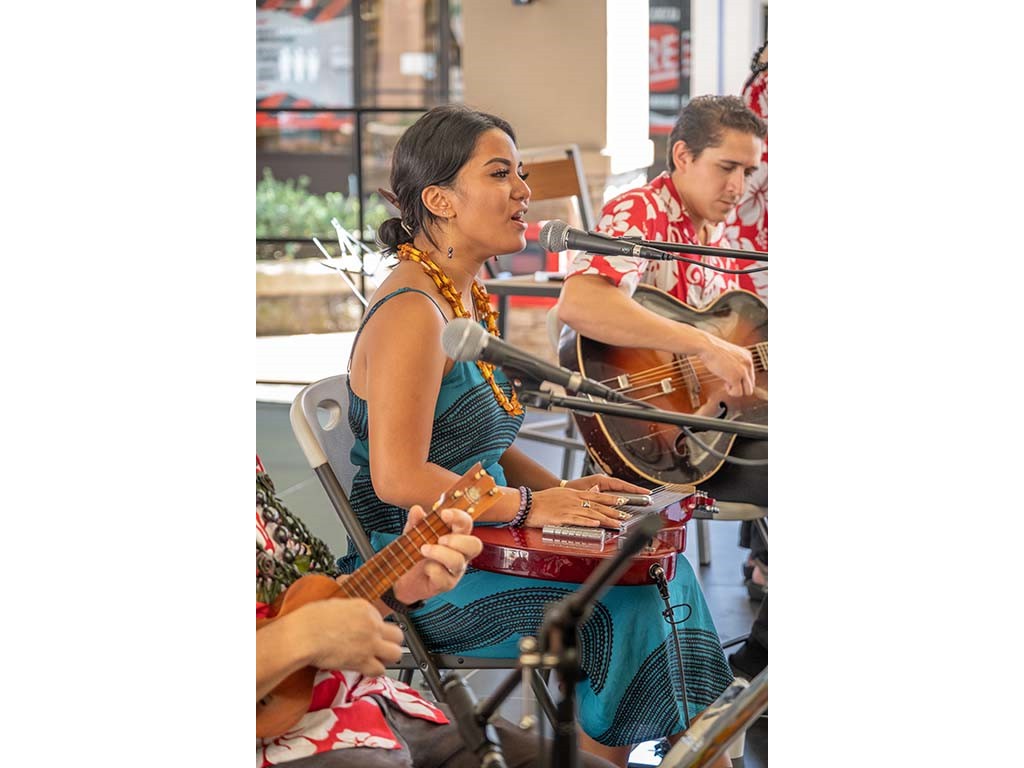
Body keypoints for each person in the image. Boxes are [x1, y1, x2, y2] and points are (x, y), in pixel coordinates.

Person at [340, 104, 735, 768]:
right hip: (423, 568)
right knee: (629, 601)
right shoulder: (412, 311)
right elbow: (399, 479)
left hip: (485, 537)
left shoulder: (462, 294)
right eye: (501, 174)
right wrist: (531, 507)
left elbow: (481, 449)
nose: (525, 191)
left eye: (521, 173)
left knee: (658, 570)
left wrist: (571, 495)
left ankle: (696, 754)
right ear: (439, 199)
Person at [555, 94, 769, 686]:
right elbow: (580, 302)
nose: (738, 186)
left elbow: (733, 356)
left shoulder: (721, 240)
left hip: (709, 430)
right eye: (726, 167)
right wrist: (704, 346)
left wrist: (735, 373)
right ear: (682, 156)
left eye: (748, 171)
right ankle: (758, 668)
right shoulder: (640, 212)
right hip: (648, 437)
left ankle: (758, 663)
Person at [257, 456, 614, 768]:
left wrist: (398, 588)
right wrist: (298, 638)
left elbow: (294, 611)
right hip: (291, 748)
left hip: (369, 705)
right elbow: (300, 631)